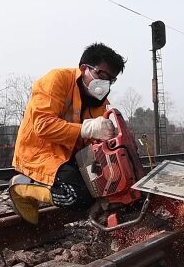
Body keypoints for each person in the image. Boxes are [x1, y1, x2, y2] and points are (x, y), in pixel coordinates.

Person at [8, 42, 126, 224]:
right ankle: (22, 186)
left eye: (111, 79)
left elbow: (93, 144)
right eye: (102, 74)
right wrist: (87, 128)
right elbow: (43, 125)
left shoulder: (100, 102)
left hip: (70, 155)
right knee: (77, 197)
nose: (105, 83)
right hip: (40, 152)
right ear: (84, 68)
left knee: (102, 186)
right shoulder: (57, 80)